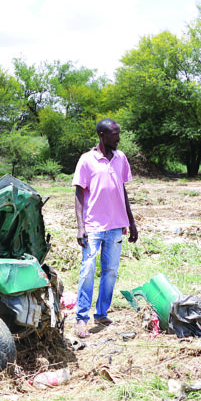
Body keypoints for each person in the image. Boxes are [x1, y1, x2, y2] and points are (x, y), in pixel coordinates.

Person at [72, 119, 138, 338]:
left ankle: (101, 313)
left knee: (110, 272)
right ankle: (81, 319)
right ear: (102, 135)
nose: (119, 138)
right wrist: (81, 227)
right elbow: (79, 193)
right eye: (115, 134)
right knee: (88, 271)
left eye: (119, 133)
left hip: (116, 226)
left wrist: (131, 221)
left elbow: (122, 191)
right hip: (93, 226)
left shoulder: (121, 158)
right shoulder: (87, 160)